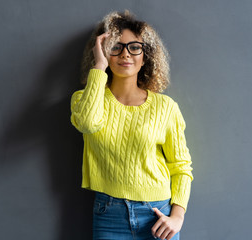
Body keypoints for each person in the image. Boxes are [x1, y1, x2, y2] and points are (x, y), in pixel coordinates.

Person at [70, 10, 193, 240]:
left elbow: (181, 166)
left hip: (158, 216)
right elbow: (87, 123)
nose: (125, 54)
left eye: (134, 47)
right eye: (116, 47)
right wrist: (98, 66)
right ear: (105, 52)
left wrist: (177, 217)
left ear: (146, 55)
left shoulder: (165, 107)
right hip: (109, 215)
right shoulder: (84, 99)